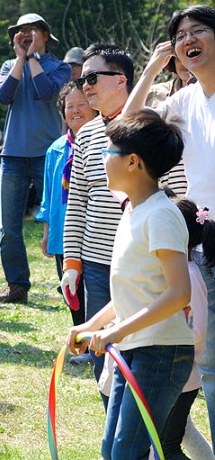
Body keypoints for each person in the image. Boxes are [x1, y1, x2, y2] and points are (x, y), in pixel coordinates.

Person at [66, 109, 192, 460]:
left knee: (126, 453)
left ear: (133, 162)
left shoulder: (161, 214)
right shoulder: (133, 211)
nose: (102, 160)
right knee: (113, 450)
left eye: (108, 152)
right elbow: (129, 291)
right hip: (134, 348)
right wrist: (92, 325)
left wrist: (116, 333)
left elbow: (179, 292)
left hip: (161, 353)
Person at [122, 5, 215, 450]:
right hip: (204, 241)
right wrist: (154, 66)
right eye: (180, 35)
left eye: (199, 31)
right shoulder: (182, 100)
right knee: (211, 363)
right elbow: (126, 127)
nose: (188, 39)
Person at [61, 43, 138, 386]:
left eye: (93, 76)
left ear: (120, 79)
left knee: (137, 352)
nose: (85, 84)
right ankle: (115, 433)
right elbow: (76, 201)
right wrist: (71, 264)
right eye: (82, 77)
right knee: (99, 351)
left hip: (141, 262)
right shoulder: (87, 133)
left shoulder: (149, 124)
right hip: (95, 263)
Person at [0, 13, 71, 304]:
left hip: (48, 156)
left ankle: (67, 282)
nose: (26, 35)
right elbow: (4, 95)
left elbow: (46, 92)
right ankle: (17, 286)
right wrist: (20, 59)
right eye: (20, 32)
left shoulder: (60, 68)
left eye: (32, 31)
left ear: (46, 35)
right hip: (13, 155)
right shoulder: (8, 66)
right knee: (9, 228)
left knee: (57, 221)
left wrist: (33, 58)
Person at [36, 82, 97, 365]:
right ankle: (82, 344)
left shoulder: (106, 142)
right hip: (63, 231)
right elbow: (49, 193)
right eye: (69, 106)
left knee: (95, 285)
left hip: (95, 229)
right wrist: (47, 231)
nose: (75, 110)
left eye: (81, 104)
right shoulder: (56, 150)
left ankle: (100, 339)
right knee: (70, 289)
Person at [159, 197, 215, 460]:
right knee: (164, 442)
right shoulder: (179, 273)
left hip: (178, 377)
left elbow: (196, 334)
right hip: (174, 376)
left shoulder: (189, 277)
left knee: (167, 447)